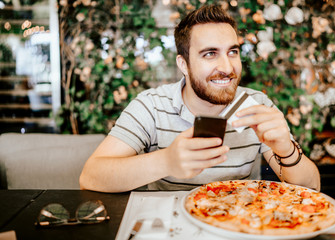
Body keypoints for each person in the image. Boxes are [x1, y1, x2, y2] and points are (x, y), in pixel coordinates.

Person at [79, 4, 320, 192]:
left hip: (238, 224)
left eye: (232, 52)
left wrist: (286, 150)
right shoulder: (151, 105)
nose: (227, 67)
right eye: (210, 54)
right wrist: (166, 161)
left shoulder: (257, 105)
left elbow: (311, 189)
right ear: (183, 64)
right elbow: (91, 176)